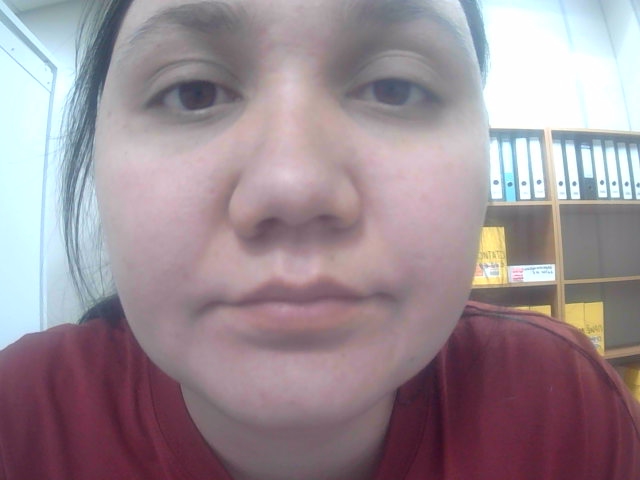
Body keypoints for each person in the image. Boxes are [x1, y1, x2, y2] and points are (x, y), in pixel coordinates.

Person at [1, 0, 638, 478]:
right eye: (193, 93)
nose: (293, 185)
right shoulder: (21, 421)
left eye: (395, 87)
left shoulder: (565, 409)